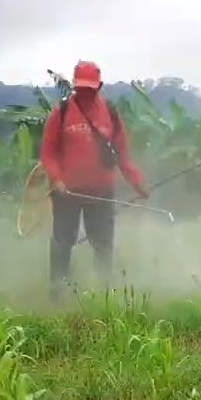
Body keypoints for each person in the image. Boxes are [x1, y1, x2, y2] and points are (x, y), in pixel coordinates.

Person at [40, 60, 150, 299]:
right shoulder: (63, 111)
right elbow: (48, 153)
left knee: (103, 244)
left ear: (99, 86)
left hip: (101, 191)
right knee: (62, 242)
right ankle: (57, 291)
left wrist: (138, 183)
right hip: (67, 192)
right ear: (75, 86)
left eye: (90, 89)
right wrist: (57, 179)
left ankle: (104, 292)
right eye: (81, 89)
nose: (86, 94)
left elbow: (122, 155)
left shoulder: (109, 113)